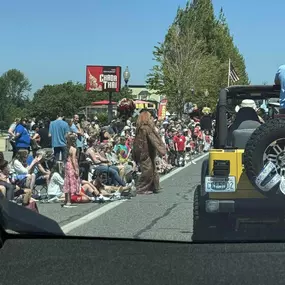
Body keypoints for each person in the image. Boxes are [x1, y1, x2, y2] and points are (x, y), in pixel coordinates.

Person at [133, 110, 166, 194]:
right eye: (150, 117)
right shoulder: (145, 128)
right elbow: (154, 139)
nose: (152, 118)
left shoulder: (140, 128)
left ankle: (153, 186)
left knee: (152, 168)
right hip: (145, 152)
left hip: (145, 151)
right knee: (148, 170)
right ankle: (141, 188)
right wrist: (161, 149)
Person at [62, 133, 80, 208]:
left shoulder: (66, 147)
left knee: (67, 182)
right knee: (71, 182)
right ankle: (69, 201)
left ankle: (66, 200)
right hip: (71, 166)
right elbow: (73, 159)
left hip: (67, 165)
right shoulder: (74, 149)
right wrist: (76, 169)